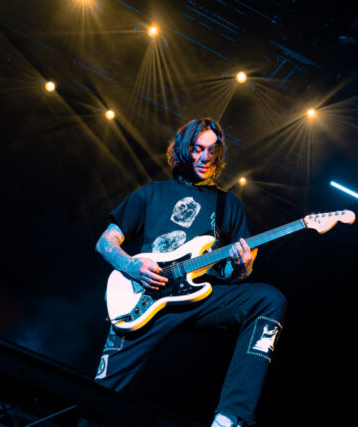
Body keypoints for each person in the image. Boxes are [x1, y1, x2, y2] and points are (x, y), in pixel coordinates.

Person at [94, 118, 287, 426]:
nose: (205, 157)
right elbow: (106, 242)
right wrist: (133, 266)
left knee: (268, 299)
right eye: (198, 149)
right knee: (97, 401)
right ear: (183, 151)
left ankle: (230, 417)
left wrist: (242, 265)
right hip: (147, 298)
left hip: (200, 297)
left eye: (212, 150)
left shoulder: (228, 204)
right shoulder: (151, 193)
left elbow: (237, 272)